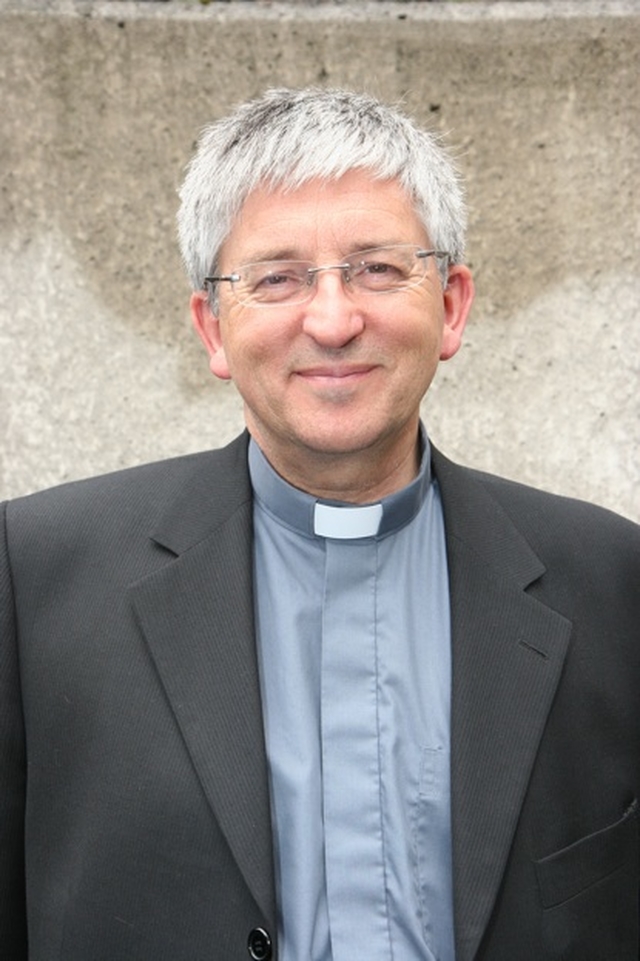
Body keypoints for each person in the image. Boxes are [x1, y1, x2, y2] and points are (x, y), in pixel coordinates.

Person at [1, 87, 638, 961]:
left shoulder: (611, 579)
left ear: (450, 305)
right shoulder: (33, 579)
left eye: (378, 268)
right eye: (276, 277)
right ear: (212, 328)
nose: (334, 320)